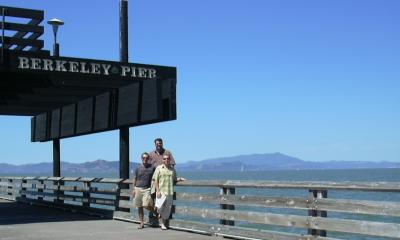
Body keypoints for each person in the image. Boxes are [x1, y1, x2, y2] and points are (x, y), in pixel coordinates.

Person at [152, 153, 184, 230]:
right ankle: (159, 217)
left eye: (168, 158)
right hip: (161, 191)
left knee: (167, 209)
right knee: (159, 208)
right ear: (163, 160)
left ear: (170, 160)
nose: (166, 160)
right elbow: (155, 180)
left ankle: (163, 224)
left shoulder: (172, 169)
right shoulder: (159, 168)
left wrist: (180, 179)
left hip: (169, 191)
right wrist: (158, 191)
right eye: (164, 158)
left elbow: (175, 179)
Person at [132, 152, 155, 229]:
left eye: (146, 158)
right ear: (141, 159)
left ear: (149, 159)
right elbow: (135, 179)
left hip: (147, 189)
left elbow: (156, 177)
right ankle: (141, 223)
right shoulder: (138, 168)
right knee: (139, 206)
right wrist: (134, 189)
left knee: (146, 205)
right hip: (138, 188)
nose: (145, 159)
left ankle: (155, 211)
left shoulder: (152, 168)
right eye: (143, 158)